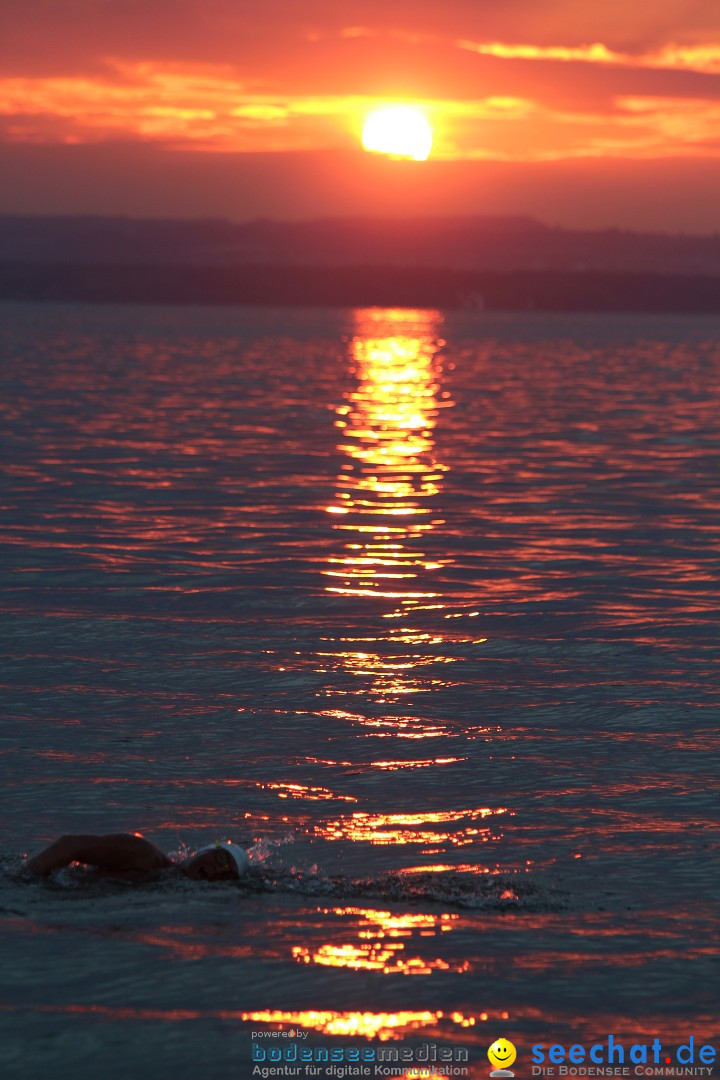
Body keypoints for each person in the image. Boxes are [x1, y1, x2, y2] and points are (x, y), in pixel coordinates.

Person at [21, 833, 250, 882]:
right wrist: (21, 878)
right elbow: (71, 844)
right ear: (203, 852)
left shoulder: (164, 880)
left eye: (227, 877)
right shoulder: (146, 856)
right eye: (221, 859)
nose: (219, 871)